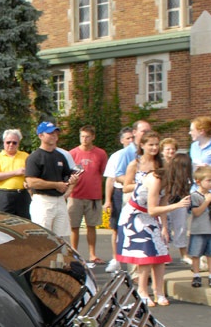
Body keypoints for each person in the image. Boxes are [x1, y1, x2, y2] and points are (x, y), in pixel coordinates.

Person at [115, 132, 191, 306]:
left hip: (151, 213)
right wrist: (176, 205)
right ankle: (142, 290)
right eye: (151, 144)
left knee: (161, 250)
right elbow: (151, 206)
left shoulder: (164, 173)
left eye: (157, 145)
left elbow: (162, 200)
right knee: (147, 252)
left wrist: (164, 226)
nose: (155, 148)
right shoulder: (149, 173)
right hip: (136, 214)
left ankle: (159, 291)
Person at [25, 121, 78, 237]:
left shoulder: (60, 156)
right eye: (50, 133)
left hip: (59, 200)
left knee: (61, 238)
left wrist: (72, 180)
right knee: (43, 237)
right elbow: (31, 182)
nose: (54, 135)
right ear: (40, 136)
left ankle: (59, 256)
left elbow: (67, 176)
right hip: (43, 201)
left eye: (55, 133)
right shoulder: (34, 157)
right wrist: (56, 185)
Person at [67, 125, 108, 264]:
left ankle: (92, 254)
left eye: (87, 136)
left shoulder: (100, 154)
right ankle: (74, 254)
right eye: (82, 136)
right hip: (75, 195)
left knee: (92, 226)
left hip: (93, 195)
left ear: (93, 137)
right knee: (74, 226)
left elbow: (104, 173)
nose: (84, 139)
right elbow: (67, 174)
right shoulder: (72, 153)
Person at [103, 127, 134, 273]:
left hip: (135, 192)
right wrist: (107, 200)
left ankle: (134, 260)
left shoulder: (139, 154)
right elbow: (110, 179)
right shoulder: (116, 156)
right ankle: (116, 259)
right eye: (127, 138)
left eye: (132, 137)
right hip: (118, 192)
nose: (130, 140)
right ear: (122, 140)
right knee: (116, 228)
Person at [188, 165, 211, 289]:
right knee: (196, 254)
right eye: (209, 180)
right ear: (198, 181)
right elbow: (196, 212)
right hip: (198, 230)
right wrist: (206, 201)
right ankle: (196, 275)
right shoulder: (195, 196)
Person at [0, 129, 30, 219]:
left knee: (24, 222)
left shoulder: (25, 156)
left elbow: (31, 173)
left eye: (14, 142)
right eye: (8, 142)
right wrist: (16, 172)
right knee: (3, 221)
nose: (11, 145)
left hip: (22, 195)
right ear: (4, 142)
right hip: (4, 195)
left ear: (18, 143)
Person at [164, 153, 194, 264]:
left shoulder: (187, 179)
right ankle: (165, 252)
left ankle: (183, 254)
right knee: (166, 228)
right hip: (168, 203)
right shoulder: (168, 176)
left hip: (180, 204)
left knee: (181, 228)